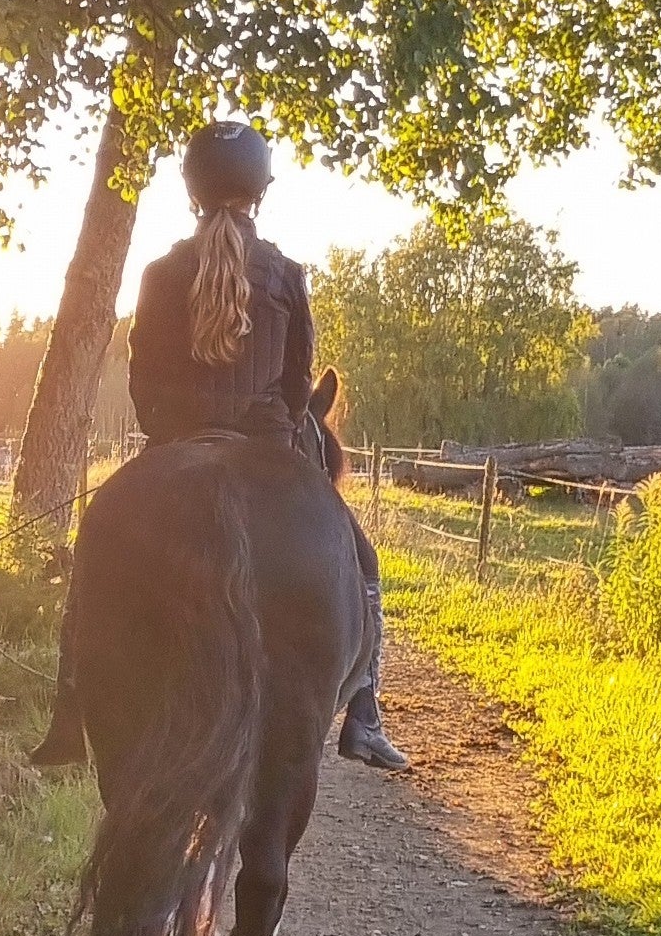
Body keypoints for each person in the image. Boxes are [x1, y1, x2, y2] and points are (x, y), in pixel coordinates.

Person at [30, 119, 409, 771]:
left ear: (192, 191)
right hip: (267, 445)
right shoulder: (287, 274)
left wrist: (172, 425)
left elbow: (143, 380)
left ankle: (69, 712)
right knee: (364, 562)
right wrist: (277, 432)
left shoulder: (157, 273)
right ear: (261, 191)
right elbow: (297, 390)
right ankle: (366, 714)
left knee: (95, 547)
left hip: (173, 440)